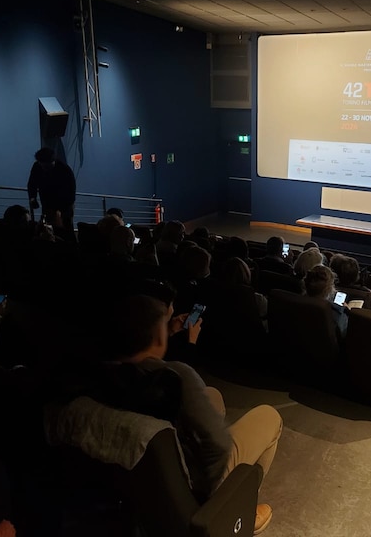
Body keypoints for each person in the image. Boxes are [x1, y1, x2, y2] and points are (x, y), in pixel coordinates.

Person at [106, 294, 282, 534]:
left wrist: (167, 333)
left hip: (151, 469)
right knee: (270, 416)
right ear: (156, 335)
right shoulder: (177, 376)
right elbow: (219, 447)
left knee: (213, 396)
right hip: (199, 481)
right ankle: (238, 506)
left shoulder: (106, 372)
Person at [26, 147, 76, 236]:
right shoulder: (37, 167)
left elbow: (71, 193)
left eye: (47, 166)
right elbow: (32, 184)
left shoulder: (64, 170)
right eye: (43, 166)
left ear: (53, 161)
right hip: (47, 204)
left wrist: (62, 210)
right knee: (49, 228)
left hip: (65, 205)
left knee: (66, 228)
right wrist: (32, 198)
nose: (45, 169)